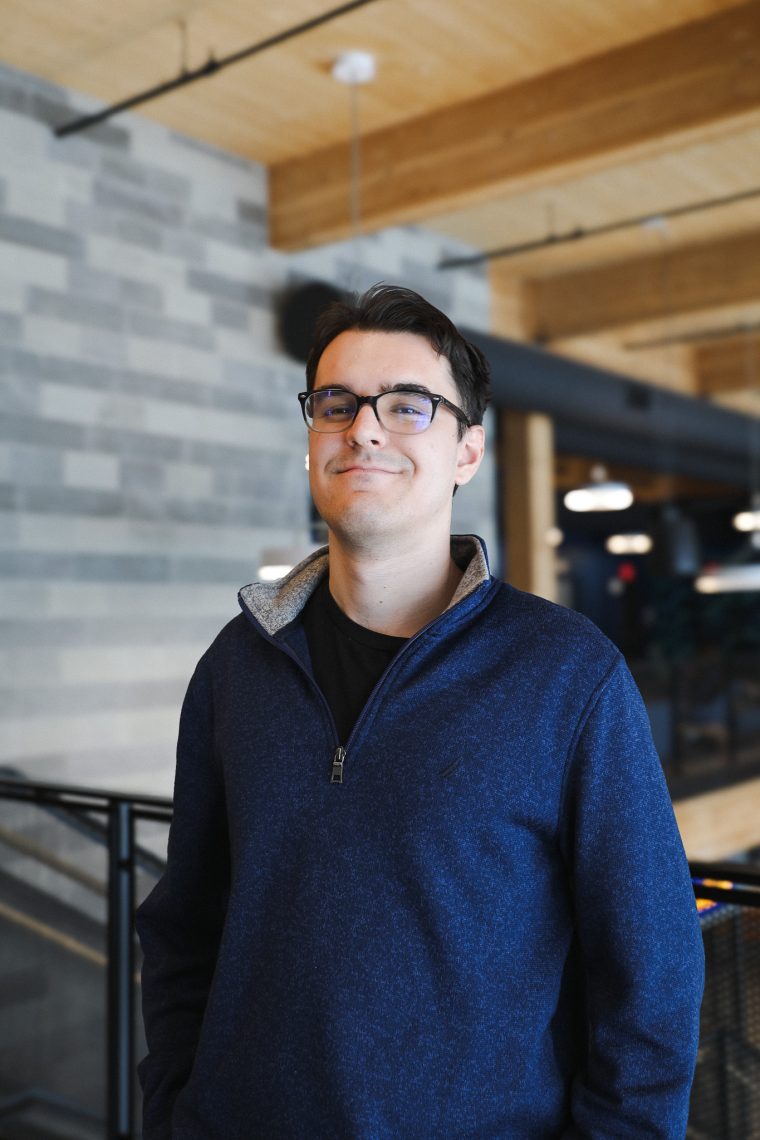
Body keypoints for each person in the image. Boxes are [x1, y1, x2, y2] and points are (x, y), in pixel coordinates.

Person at [137, 283, 704, 1139]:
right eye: (337, 404)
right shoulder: (236, 666)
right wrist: (173, 1109)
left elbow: (651, 980)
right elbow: (184, 933)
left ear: (468, 451)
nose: (363, 428)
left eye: (408, 407)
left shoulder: (566, 674)